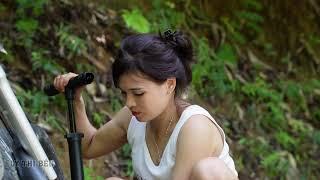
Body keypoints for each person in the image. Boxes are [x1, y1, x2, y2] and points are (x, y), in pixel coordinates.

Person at [53, 30, 238, 180]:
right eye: (124, 93)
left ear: (169, 84)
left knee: (208, 170)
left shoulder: (194, 128)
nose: (129, 102)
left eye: (138, 93)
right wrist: (76, 100)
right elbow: (88, 147)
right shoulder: (133, 117)